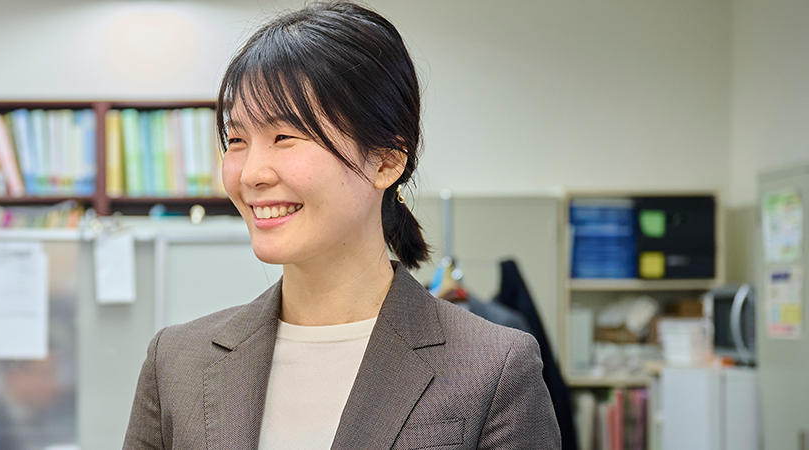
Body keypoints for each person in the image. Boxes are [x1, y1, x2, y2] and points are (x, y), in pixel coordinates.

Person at [122, 3, 561, 449]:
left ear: (386, 162)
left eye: (284, 137)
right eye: (236, 140)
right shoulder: (176, 364)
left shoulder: (494, 368)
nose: (251, 173)